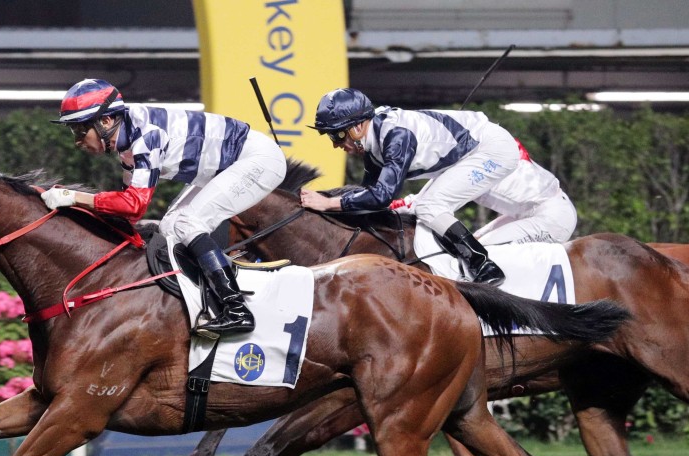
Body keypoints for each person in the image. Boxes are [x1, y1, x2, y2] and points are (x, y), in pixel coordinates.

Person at [42, 78, 287, 337]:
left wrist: (73, 197)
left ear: (105, 121)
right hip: (227, 166)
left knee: (188, 224)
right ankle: (204, 304)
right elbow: (126, 208)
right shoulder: (127, 142)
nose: (78, 141)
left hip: (258, 160)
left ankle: (237, 310)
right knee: (170, 227)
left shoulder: (145, 136)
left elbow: (134, 206)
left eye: (81, 130)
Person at [300, 87, 524, 285]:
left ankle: (483, 265)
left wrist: (329, 203)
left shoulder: (397, 136)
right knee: (419, 208)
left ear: (357, 127)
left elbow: (382, 196)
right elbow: (368, 196)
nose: (335, 145)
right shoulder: (374, 143)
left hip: (492, 150)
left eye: (337, 135)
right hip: (467, 153)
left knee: (429, 206)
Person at [391, 140, 577, 246]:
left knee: (481, 252)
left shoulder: (464, 163)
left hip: (554, 219)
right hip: (539, 210)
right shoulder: (476, 151)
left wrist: (378, 208)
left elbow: (417, 205)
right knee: (475, 243)